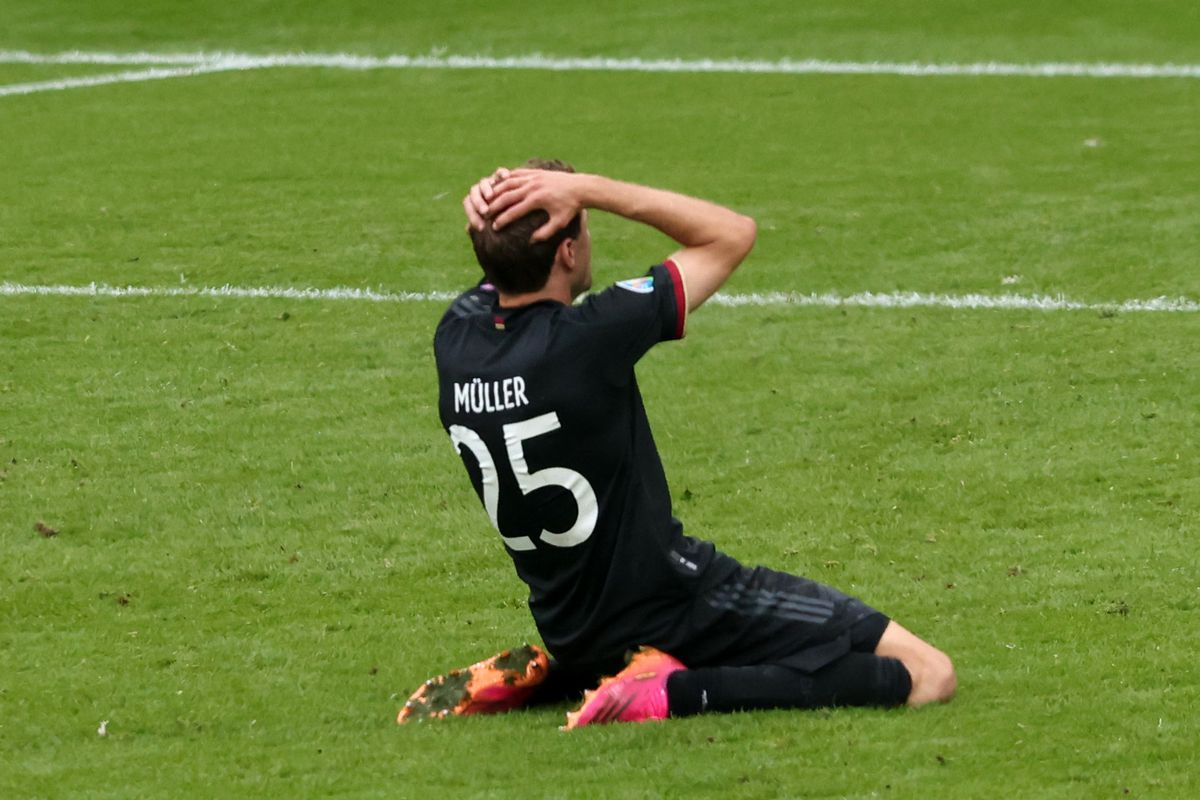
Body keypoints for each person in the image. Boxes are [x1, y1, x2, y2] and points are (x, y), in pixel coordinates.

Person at [398, 159, 956, 728]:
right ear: (566, 252)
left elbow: (503, 277)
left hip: (574, 629)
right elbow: (732, 233)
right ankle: (670, 692)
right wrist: (586, 188)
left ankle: (567, 676)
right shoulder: (589, 339)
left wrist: (495, 223)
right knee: (928, 673)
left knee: (810, 653)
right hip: (681, 607)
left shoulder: (458, 338)